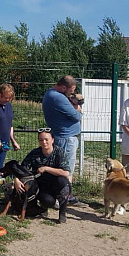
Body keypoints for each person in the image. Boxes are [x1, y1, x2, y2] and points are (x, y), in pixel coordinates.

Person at [42, 75, 85, 206]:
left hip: (64, 136)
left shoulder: (51, 94)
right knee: (65, 170)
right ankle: (64, 197)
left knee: (63, 168)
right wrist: (77, 107)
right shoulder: (58, 98)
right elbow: (77, 116)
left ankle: (65, 195)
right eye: (71, 91)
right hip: (66, 138)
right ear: (63, 87)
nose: (72, 93)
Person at [20, 128, 71, 224]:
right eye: (41, 140)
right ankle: (44, 207)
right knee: (47, 201)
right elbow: (22, 169)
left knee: (63, 181)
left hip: (57, 184)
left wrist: (46, 168)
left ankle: (62, 211)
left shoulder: (59, 152)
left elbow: (66, 173)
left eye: (46, 139)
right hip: (42, 186)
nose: (44, 142)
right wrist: (16, 180)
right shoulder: (35, 153)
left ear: (52, 140)